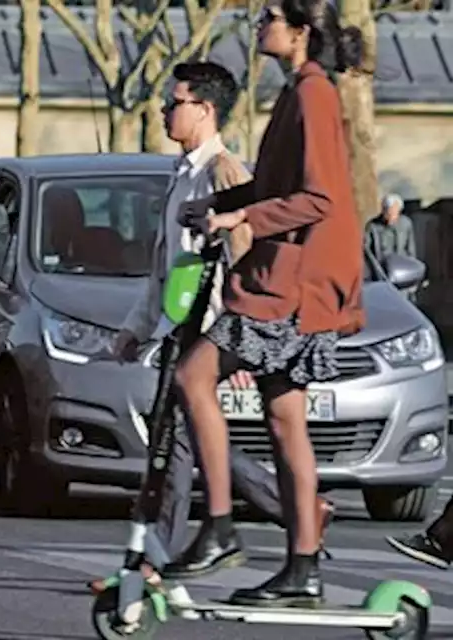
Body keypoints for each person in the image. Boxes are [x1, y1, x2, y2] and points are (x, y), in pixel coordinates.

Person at [90, 61, 334, 594]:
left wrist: (235, 337)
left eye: (173, 103)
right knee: (180, 441)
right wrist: (138, 327)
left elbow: (245, 257)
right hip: (183, 327)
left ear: (204, 109)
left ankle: (156, 560)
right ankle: (295, 515)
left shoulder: (225, 173)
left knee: (177, 443)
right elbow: (167, 265)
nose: (163, 112)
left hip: (214, 329)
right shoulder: (181, 174)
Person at [159, 0, 366, 609]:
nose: (258, 23)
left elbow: (320, 199)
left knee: (192, 376)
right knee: (284, 420)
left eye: (270, 15)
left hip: (294, 283)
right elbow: (282, 187)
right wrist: (229, 204)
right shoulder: (302, 90)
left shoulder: (313, 94)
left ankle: (221, 526)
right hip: (299, 277)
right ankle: (303, 567)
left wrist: (240, 214)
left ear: (300, 31)